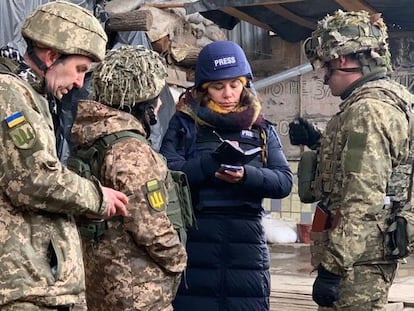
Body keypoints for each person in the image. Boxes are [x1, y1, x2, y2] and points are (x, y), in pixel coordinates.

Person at [0, 1, 129, 311]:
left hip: (35, 284)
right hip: (21, 287)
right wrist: (98, 197)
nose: (79, 83)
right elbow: (33, 179)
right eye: (80, 69)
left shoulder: (33, 97)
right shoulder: (10, 95)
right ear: (52, 56)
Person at [289, 10, 414, 310]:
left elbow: (363, 199)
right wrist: (317, 142)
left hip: (358, 262)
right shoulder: (383, 99)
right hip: (362, 256)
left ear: (342, 59)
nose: (324, 76)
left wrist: (333, 268)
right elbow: (362, 167)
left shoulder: (368, 111)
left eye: (325, 66)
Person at [159, 40, 293, 311]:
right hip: (197, 235)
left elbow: (283, 181)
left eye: (235, 84)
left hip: (247, 239)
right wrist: (212, 162)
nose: (228, 93)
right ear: (204, 89)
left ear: (245, 83)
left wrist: (246, 176)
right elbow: (167, 173)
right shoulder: (185, 123)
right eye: (218, 87)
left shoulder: (261, 128)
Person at [70, 45, 187, 311]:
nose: (159, 105)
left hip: (101, 283)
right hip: (138, 291)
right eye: (157, 97)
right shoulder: (131, 150)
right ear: (144, 102)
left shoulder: (91, 136)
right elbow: (151, 227)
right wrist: (179, 260)